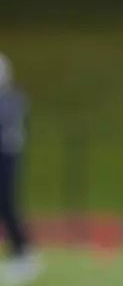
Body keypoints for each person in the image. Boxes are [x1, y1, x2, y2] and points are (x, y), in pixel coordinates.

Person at [0, 53, 40, 285]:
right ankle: (21, 253)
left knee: (7, 206)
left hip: (6, 159)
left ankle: (24, 254)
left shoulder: (12, 99)